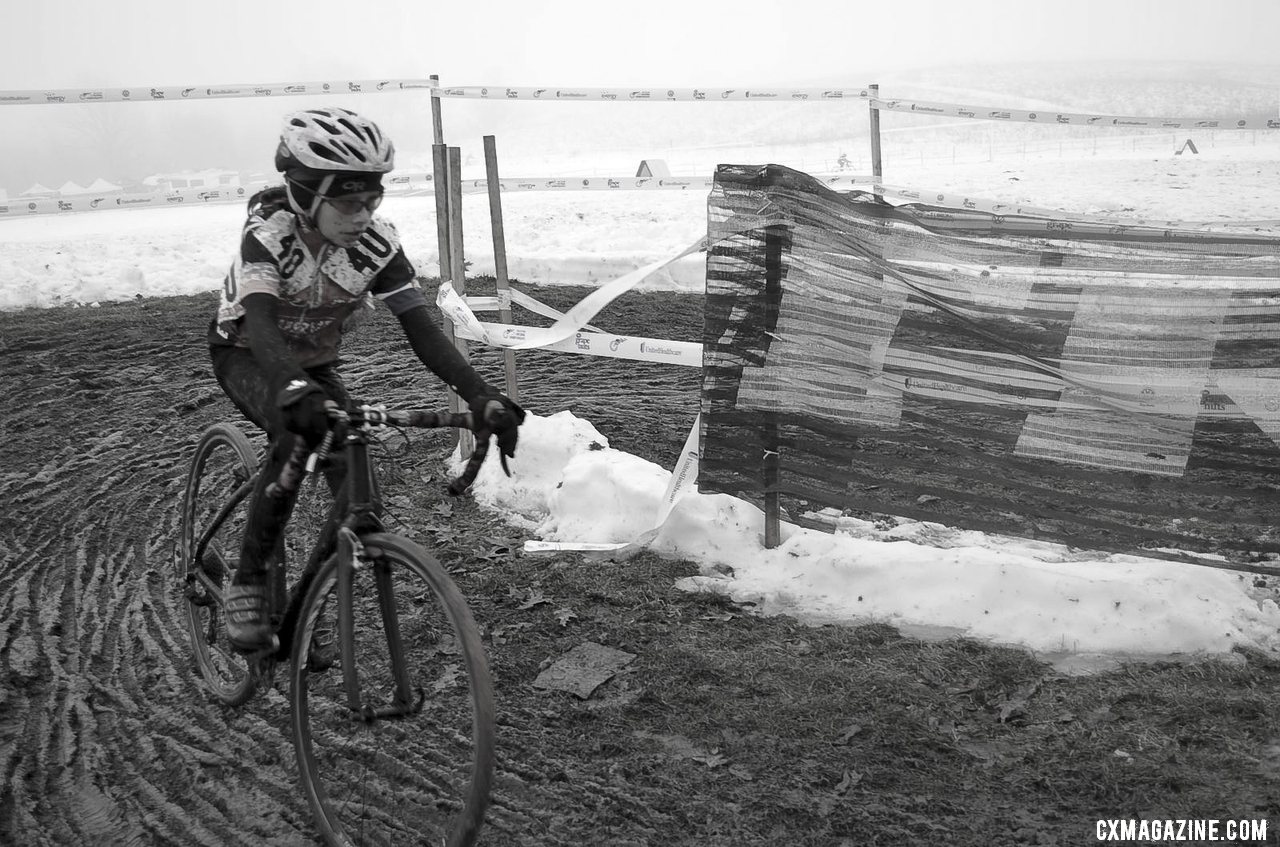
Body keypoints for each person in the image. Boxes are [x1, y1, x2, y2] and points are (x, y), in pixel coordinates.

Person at [208, 106, 524, 653]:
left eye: (372, 199)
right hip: (248, 353)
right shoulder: (269, 232)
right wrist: (288, 389)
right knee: (295, 435)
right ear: (306, 194)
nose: (363, 213)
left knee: (358, 493)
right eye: (348, 201)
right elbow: (259, 321)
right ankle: (251, 577)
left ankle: (312, 598)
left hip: (311, 365)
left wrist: (477, 392)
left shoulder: (378, 244)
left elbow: (421, 329)